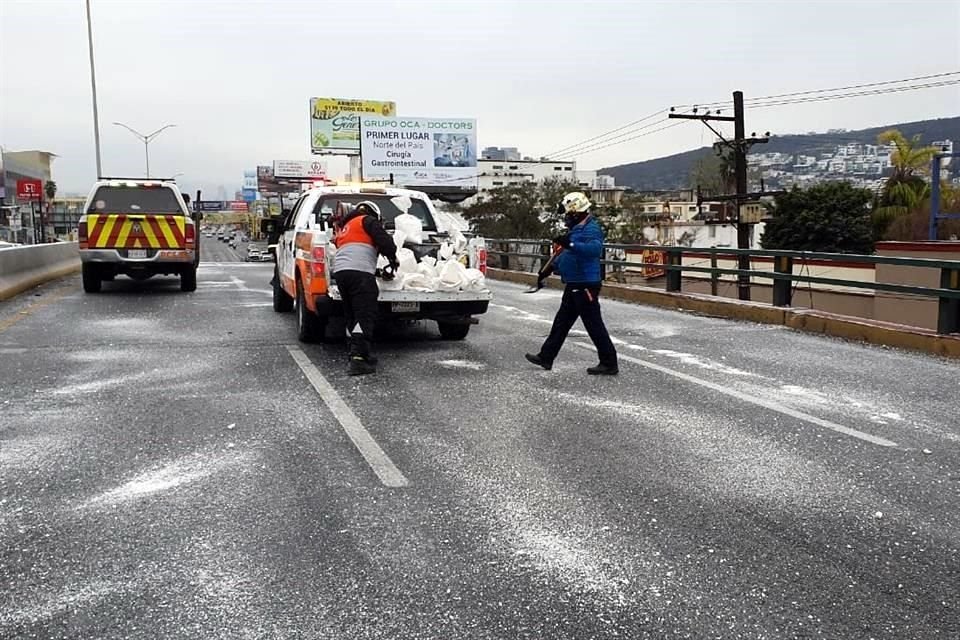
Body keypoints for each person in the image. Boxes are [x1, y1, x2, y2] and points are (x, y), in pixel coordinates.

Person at [525, 191, 619, 375]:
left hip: (586, 284)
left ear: (576, 212)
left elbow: (593, 250)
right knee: (561, 323)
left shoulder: (591, 229)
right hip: (574, 283)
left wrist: (571, 245)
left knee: (593, 324)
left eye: (568, 214)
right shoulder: (576, 230)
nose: (566, 218)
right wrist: (547, 271)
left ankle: (609, 362)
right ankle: (546, 356)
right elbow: (566, 256)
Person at [331, 200, 399, 376]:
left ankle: (356, 352)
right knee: (364, 314)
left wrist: (374, 271)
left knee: (351, 314)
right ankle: (359, 360)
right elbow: (386, 242)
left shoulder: (346, 227)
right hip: (359, 274)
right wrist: (392, 258)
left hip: (341, 273)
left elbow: (354, 254)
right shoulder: (367, 220)